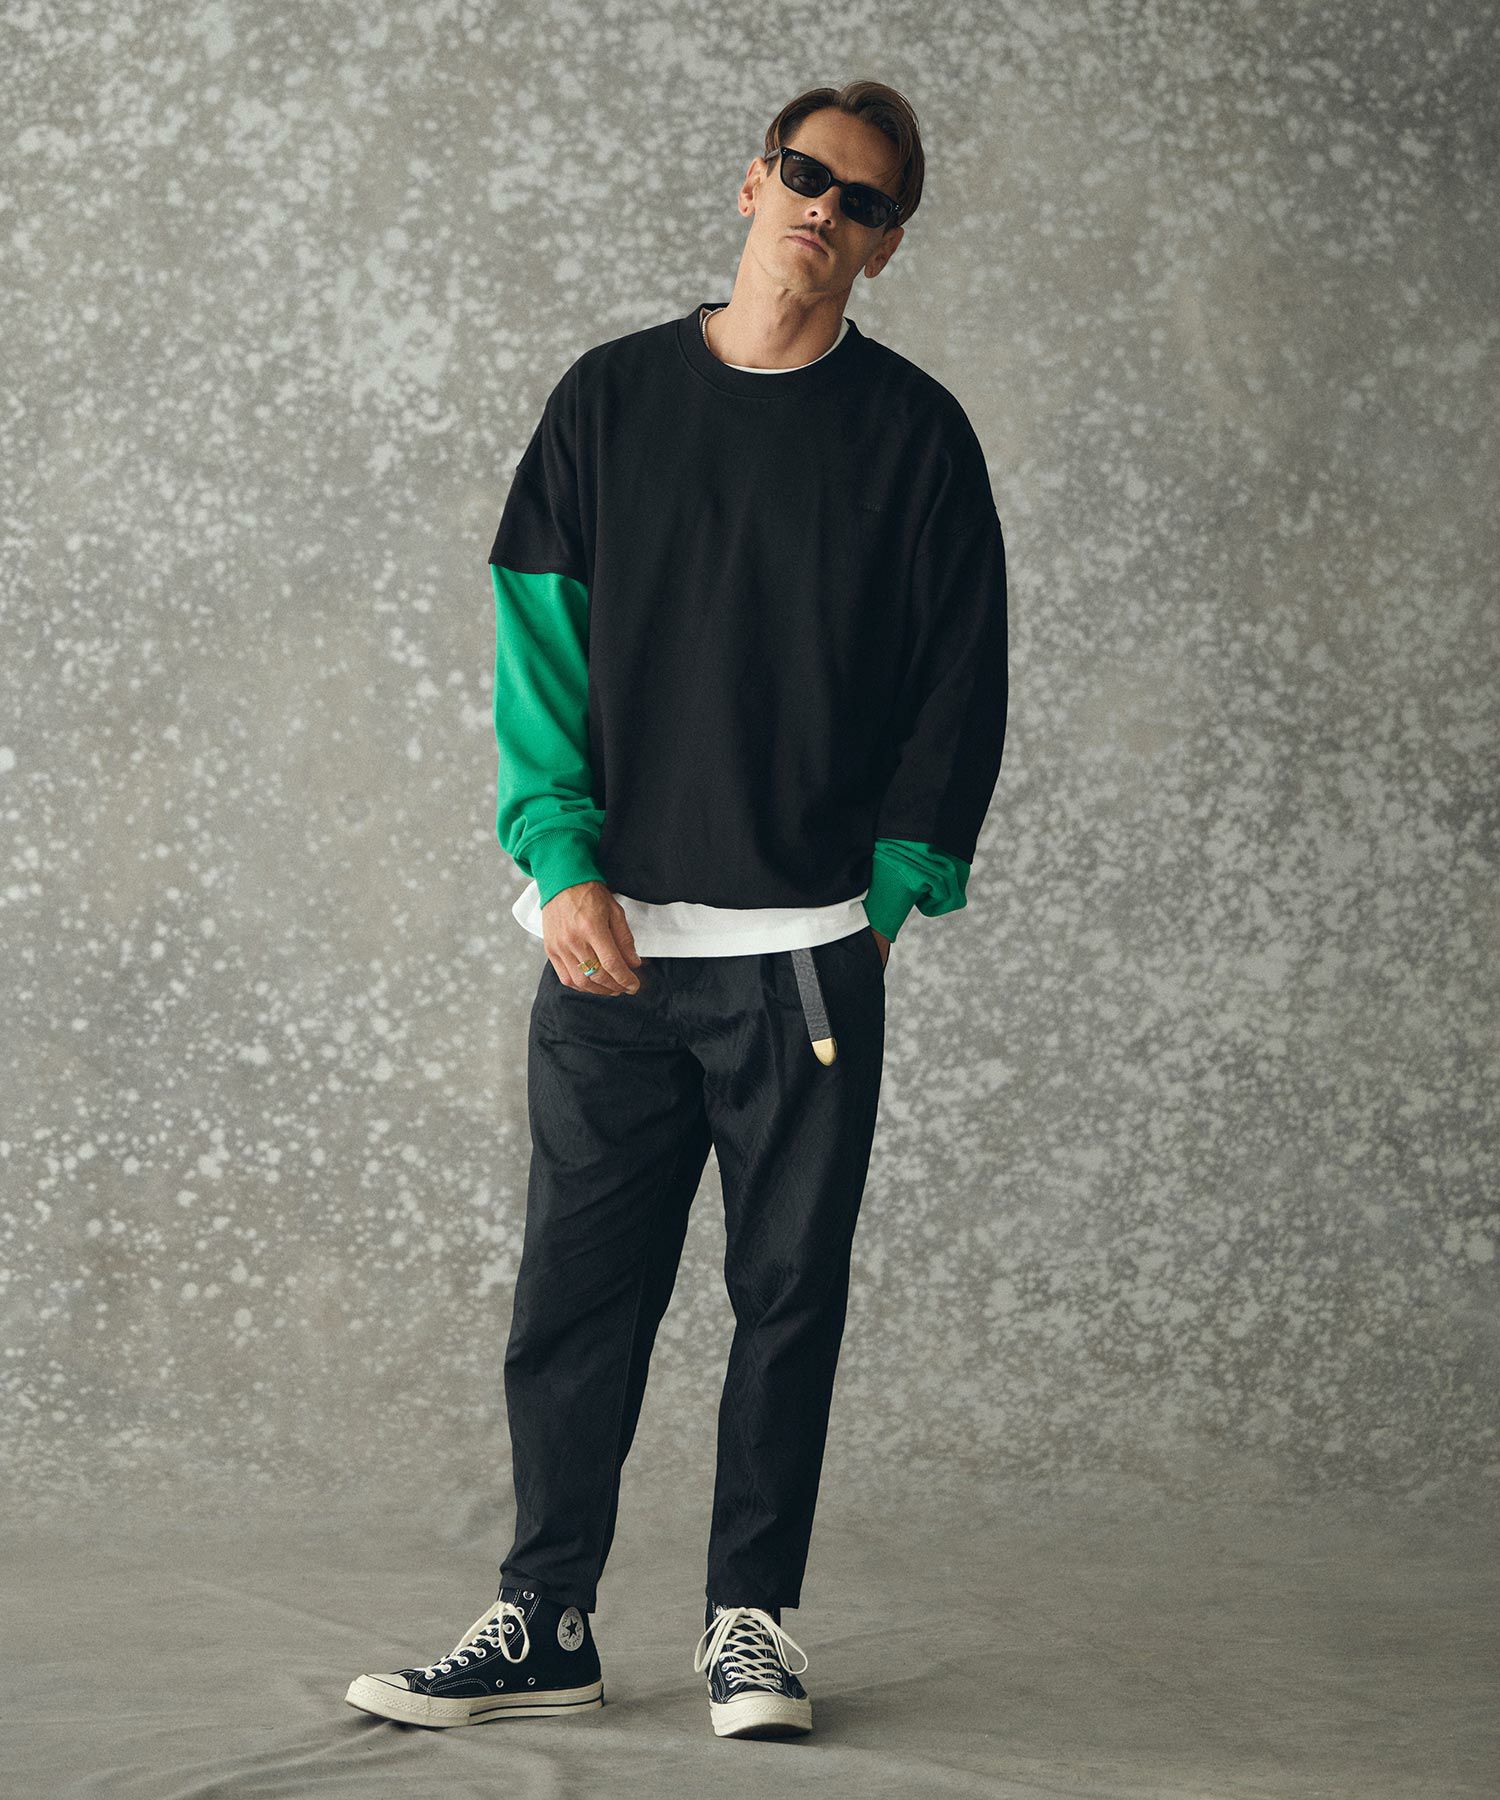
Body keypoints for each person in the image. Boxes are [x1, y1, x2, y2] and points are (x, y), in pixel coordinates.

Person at [345, 77, 1008, 1743]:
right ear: (750, 183)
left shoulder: (915, 436)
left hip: (805, 957)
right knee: (575, 1296)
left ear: (887, 244)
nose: (823, 209)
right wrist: (557, 858)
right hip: (612, 951)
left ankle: (750, 1623)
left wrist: (889, 893)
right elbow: (537, 642)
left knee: (788, 1298)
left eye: (862, 200)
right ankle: (545, 1617)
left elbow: (961, 676)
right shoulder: (611, 400)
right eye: (804, 174)